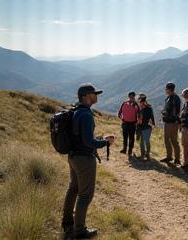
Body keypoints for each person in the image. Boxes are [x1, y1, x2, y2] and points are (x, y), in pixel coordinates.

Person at [62, 83, 115, 239]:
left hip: (73, 157)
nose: (96, 95)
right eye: (94, 93)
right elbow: (88, 142)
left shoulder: (76, 111)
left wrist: (97, 139)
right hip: (84, 159)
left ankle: (67, 223)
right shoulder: (85, 114)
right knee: (85, 195)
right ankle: (79, 231)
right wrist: (105, 142)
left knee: (73, 189)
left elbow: (80, 137)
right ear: (85, 96)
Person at [161, 82, 181, 165]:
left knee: (169, 140)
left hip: (171, 122)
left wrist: (166, 114)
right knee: (173, 140)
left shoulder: (173, 98)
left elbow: (175, 111)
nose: (165, 90)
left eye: (166, 89)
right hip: (172, 121)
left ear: (169, 89)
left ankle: (170, 157)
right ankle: (176, 158)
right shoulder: (173, 97)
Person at [118, 91, 140, 156]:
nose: (132, 98)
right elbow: (139, 115)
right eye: (131, 97)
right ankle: (128, 150)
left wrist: (123, 119)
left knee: (128, 137)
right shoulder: (135, 104)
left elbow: (119, 114)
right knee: (130, 138)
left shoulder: (125, 103)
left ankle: (126, 150)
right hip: (130, 124)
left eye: (132, 97)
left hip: (127, 123)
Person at [137, 94, 155, 160]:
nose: (140, 103)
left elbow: (151, 118)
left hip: (147, 127)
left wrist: (152, 124)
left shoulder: (148, 109)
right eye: (139, 102)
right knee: (142, 141)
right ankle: (143, 154)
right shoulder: (140, 108)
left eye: (140, 102)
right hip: (141, 126)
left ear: (144, 102)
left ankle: (147, 155)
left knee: (146, 141)